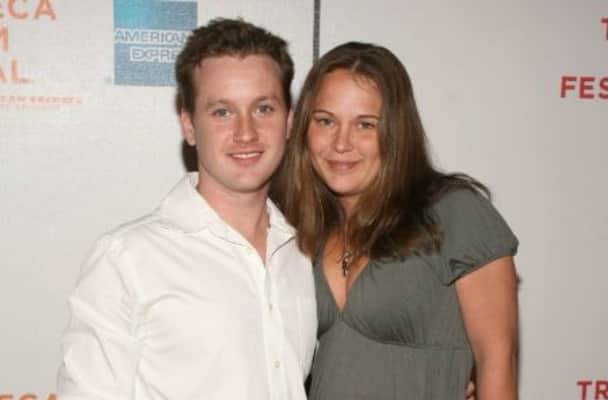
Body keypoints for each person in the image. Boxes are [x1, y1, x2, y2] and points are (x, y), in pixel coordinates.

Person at [57, 18, 316, 400]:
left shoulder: (301, 253)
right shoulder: (127, 260)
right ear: (189, 125)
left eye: (263, 108)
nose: (246, 132)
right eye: (222, 112)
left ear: (289, 121)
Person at [272, 41, 519, 400]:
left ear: (396, 131)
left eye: (365, 125)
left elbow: (498, 360)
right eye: (326, 121)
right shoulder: (299, 227)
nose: (341, 143)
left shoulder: (455, 212)